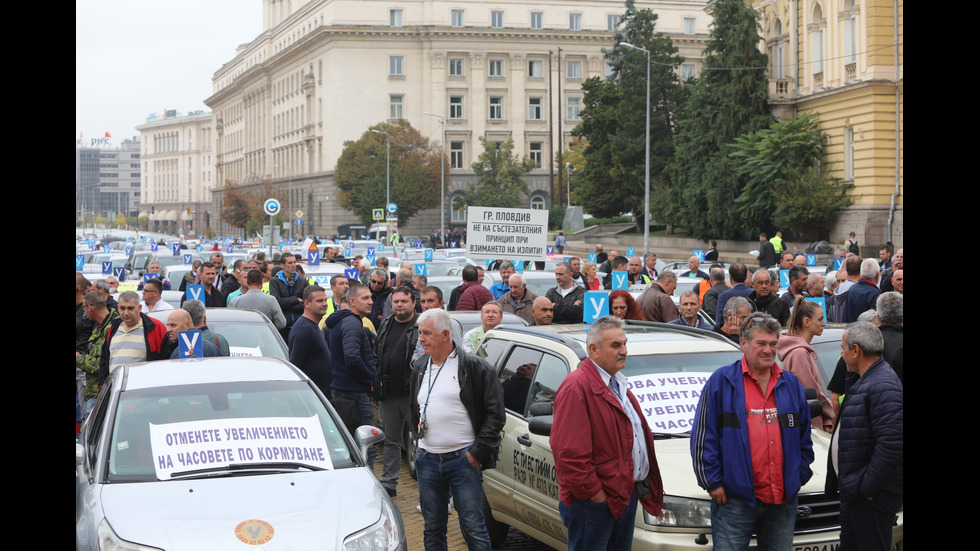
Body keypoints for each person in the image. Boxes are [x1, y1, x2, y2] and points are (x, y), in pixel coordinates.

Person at [691, 312, 814, 551]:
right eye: (761, 344)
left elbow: (804, 437)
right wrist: (712, 483)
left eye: (772, 344)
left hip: (782, 500)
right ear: (744, 343)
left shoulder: (790, 384)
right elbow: (704, 437)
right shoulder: (721, 381)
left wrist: (798, 476)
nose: (768, 350)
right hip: (734, 500)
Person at [551, 316, 664, 550]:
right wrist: (596, 494)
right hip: (594, 502)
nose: (623, 350)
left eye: (624, 344)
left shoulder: (617, 383)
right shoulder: (577, 387)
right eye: (615, 345)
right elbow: (569, 453)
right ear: (593, 349)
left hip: (622, 494)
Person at [411, 308, 505, 551]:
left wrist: (476, 455)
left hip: (462, 460)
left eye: (427, 333)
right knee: (432, 528)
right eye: (420, 332)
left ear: (445, 335)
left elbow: (495, 415)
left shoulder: (475, 367)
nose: (421, 338)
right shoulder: (420, 367)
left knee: (473, 527)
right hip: (427, 460)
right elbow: (416, 409)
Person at [827, 322, 903, 551]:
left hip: (871, 496)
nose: (842, 354)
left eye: (843, 348)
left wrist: (867, 489)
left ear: (856, 350)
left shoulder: (882, 385)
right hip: (858, 494)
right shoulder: (867, 380)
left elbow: (891, 444)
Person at [373, 286, 420, 497]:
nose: (399, 305)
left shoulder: (420, 326)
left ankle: (426, 487)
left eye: (403, 301)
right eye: (396, 301)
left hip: (414, 396)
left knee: (421, 441)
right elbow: (377, 353)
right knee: (391, 441)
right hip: (389, 395)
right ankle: (389, 483)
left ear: (413, 302)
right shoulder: (386, 323)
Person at [325, 282, 378, 466]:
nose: (370, 301)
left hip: (347, 391)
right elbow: (352, 358)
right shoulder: (352, 324)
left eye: (371, 297)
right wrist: (370, 377)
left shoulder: (348, 321)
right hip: (352, 393)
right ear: (352, 301)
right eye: (365, 298)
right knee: (366, 447)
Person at [778, 297, 834, 432]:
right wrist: (831, 415)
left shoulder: (800, 350)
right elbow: (811, 392)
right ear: (806, 322)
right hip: (810, 424)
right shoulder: (799, 353)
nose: (824, 323)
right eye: (820, 319)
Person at [99, 291, 168, 385]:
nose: (126, 313)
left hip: (142, 388)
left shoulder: (155, 327)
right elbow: (104, 361)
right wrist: (103, 387)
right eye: (122, 308)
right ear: (118, 308)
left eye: (130, 308)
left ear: (139, 308)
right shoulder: (112, 328)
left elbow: (165, 360)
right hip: (115, 390)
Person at [76, 291, 119, 418]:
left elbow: (99, 364)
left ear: (90, 307)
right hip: (94, 392)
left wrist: (78, 358)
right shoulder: (100, 325)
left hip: (99, 394)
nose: (84, 311)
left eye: (84, 307)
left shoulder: (111, 328)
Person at [288, 285, 334, 394]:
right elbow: (295, 366)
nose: (324, 304)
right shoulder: (304, 329)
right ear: (307, 303)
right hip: (312, 395)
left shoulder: (311, 326)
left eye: (325, 300)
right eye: (319, 301)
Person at [269, 253, 309, 340]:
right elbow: (276, 303)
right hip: (282, 327)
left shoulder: (303, 281)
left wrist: (285, 305)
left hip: (300, 325)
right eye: (290, 263)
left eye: (294, 262)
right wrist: (296, 299)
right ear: (283, 265)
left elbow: (307, 304)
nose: (293, 265)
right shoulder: (275, 281)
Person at [843, 258, 881, 323]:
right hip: (867, 331)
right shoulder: (875, 293)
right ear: (878, 275)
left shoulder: (852, 289)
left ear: (861, 273)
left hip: (852, 329)